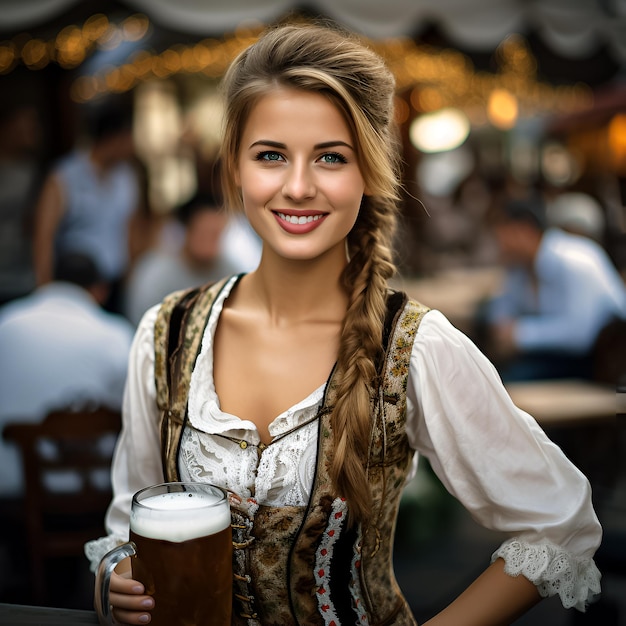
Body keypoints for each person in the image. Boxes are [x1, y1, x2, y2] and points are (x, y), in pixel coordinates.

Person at [86, 22, 602, 625]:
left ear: (369, 173)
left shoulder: (414, 346)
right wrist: (114, 582)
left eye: (331, 157)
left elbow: (559, 524)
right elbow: (126, 521)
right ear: (234, 168)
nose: (298, 187)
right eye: (271, 155)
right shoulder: (165, 332)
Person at [0, 252, 134, 498]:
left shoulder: (6, 324)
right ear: (101, 291)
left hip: (10, 494)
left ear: (47, 279)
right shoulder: (116, 336)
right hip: (93, 496)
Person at [484, 194, 626, 381]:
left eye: (501, 233)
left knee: (508, 380)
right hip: (556, 354)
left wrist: (519, 334)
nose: (498, 243)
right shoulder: (519, 266)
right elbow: (502, 307)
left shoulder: (575, 261)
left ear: (524, 230)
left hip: (600, 362)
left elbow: (580, 335)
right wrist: (503, 327)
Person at [31, 101, 142, 313]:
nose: (132, 145)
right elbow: (43, 236)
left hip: (113, 282)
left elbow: (130, 229)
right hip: (75, 284)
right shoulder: (64, 176)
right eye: (128, 137)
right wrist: (44, 288)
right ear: (113, 138)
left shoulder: (127, 176)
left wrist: (131, 277)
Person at [123, 191, 252, 326]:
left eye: (216, 235)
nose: (211, 243)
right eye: (205, 233)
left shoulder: (229, 271)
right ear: (187, 229)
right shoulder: (156, 273)